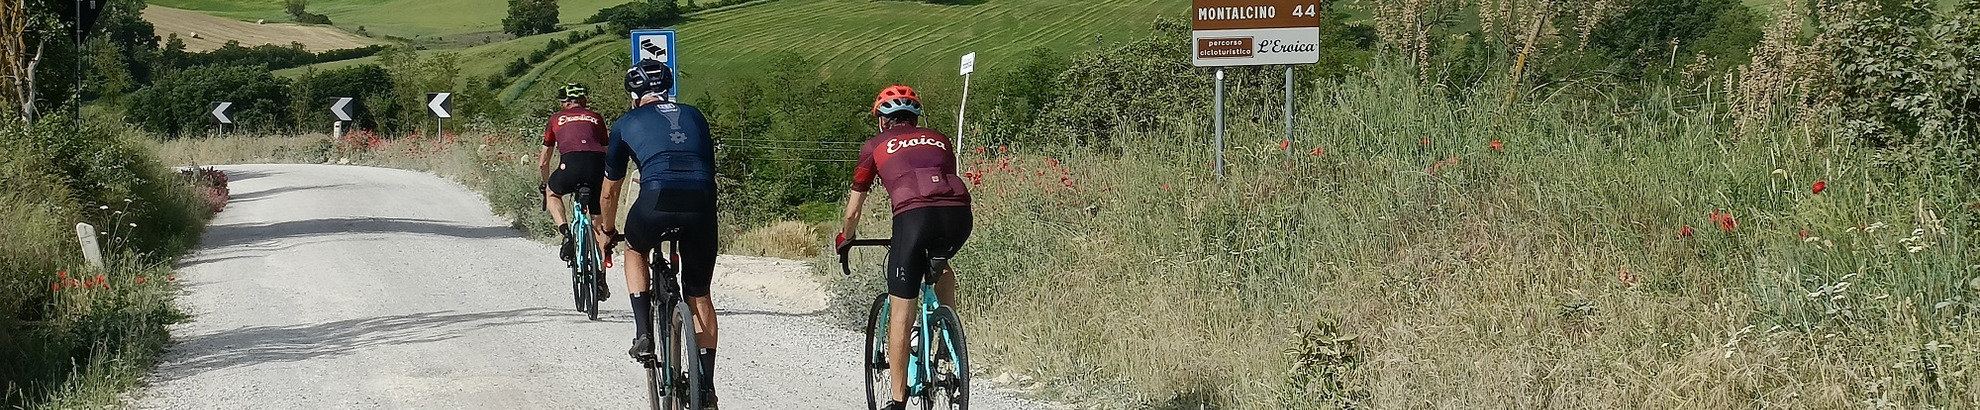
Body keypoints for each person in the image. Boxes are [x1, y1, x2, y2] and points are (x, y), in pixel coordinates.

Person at [835, 85, 972, 410]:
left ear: (883, 121)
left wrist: (846, 238)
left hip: (915, 218)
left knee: (900, 311)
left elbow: (853, 210)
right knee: (941, 264)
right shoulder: (940, 138)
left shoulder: (874, 145)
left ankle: (898, 400)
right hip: (959, 216)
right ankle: (946, 332)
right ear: (915, 118)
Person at [596, 59, 723, 409]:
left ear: (634, 94)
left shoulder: (626, 122)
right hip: (701, 202)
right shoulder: (696, 115)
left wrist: (607, 231)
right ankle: (707, 387)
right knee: (699, 293)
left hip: (655, 201)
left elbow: (609, 191)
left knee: (635, 249)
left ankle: (643, 333)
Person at [539, 82, 612, 301]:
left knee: (553, 193)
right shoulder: (595, 117)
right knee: (600, 226)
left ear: (563, 103)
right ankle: (600, 277)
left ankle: (566, 232)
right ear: (584, 101)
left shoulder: (555, 120)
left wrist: (545, 185)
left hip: (569, 164)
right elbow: (607, 152)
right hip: (597, 165)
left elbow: (544, 161)